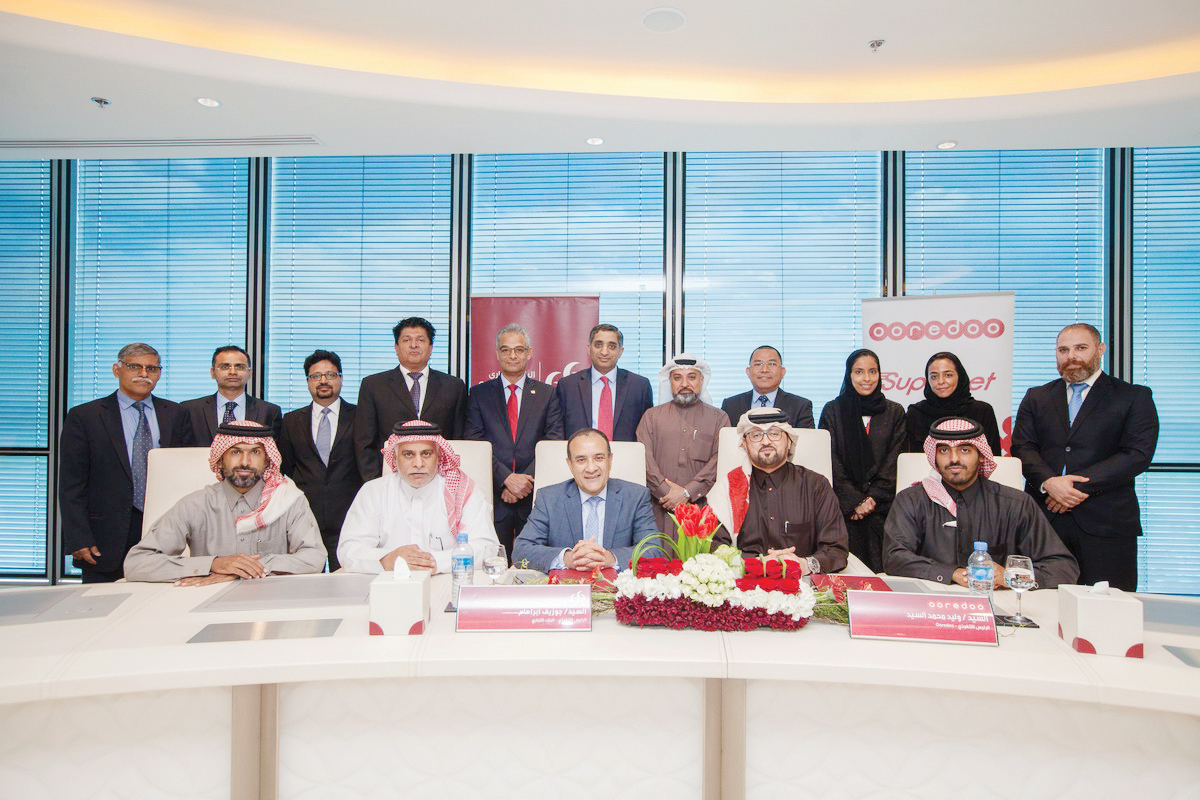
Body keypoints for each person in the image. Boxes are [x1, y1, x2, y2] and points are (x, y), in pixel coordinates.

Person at [1012, 323, 1158, 590]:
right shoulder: (1037, 396)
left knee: (1108, 612)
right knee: (1039, 605)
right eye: (1063, 350)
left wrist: (1072, 488)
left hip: (1106, 522)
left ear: (1100, 349)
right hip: (1045, 519)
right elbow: (1022, 448)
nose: (1072, 356)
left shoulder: (1133, 396)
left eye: (1081, 348)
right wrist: (1050, 483)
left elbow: (1137, 454)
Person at [884, 417, 1079, 588]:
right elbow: (894, 558)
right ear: (934, 456)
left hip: (999, 609)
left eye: (965, 450)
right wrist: (951, 573)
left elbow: (1063, 567)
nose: (954, 459)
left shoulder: (1015, 504)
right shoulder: (911, 500)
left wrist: (1010, 576)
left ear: (980, 455)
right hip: (931, 608)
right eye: (944, 450)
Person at [124, 420, 326, 584]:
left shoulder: (288, 500)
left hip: (272, 604)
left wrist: (248, 568)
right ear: (220, 460)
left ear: (267, 461)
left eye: (255, 452)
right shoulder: (196, 504)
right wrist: (213, 564)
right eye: (235, 452)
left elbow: (315, 558)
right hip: (204, 605)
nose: (245, 462)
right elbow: (136, 564)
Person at [59, 343, 193, 583]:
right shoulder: (85, 416)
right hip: (104, 536)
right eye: (135, 367)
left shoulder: (176, 413)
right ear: (116, 370)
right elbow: (71, 484)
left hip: (162, 526)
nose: (144, 374)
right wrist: (78, 538)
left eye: (152, 368)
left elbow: (184, 473)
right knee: (101, 608)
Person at [338, 420, 497, 574]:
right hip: (389, 584)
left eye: (426, 454)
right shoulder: (373, 492)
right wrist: (387, 559)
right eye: (408, 454)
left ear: (439, 456)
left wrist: (433, 562)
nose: (418, 463)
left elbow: (487, 548)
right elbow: (349, 550)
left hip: (447, 582)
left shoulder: (462, 491)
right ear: (394, 458)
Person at [465, 324, 564, 555]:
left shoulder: (547, 394)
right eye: (506, 349)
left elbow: (553, 441)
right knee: (492, 560)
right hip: (493, 494)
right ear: (497, 353)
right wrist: (506, 479)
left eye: (519, 350)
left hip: (534, 497)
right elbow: (474, 442)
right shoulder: (479, 394)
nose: (512, 355)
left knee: (531, 563)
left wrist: (523, 482)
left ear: (529, 353)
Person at [713, 408, 848, 574]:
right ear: (745, 445)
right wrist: (755, 564)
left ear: (789, 441)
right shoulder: (728, 487)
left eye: (775, 433)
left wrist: (804, 564)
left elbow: (836, 550)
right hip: (744, 584)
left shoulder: (816, 486)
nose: (766, 441)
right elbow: (715, 549)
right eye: (756, 435)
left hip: (803, 586)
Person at [512, 428, 658, 573]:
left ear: (610, 460)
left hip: (617, 591)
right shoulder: (549, 498)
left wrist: (610, 558)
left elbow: (653, 550)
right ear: (570, 464)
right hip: (565, 591)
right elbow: (521, 550)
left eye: (599, 458)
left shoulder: (636, 497)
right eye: (581, 460)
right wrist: (568, 558)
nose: (591, 468)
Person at [819, 348, 905, 573]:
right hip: (843, 510)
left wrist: (871, 499)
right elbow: (829, 458)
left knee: (882, 575)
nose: (867, 378)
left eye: (872, 371)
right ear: (849, 375)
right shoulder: (833, 410)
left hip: (882, 510)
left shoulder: (894, 412)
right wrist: (854, 501)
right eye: (859, 372)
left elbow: (895, 461)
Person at [354, 317, 468, 481]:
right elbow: (364, 442)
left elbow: (459, 439)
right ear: (396, 348)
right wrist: (376, 483)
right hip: (389, 480)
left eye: (420, 340)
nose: (414, 345)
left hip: (439, 481)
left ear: (430, 348)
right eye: (407, 340)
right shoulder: (373, 385)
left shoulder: (454, 386)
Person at [279, 350, 363, 571]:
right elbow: (285, 465)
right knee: (305, 584)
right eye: (316, 376)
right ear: (308, 382)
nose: (323, 381)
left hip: (350, 513)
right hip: (305, 515)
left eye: (330, 375)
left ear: (341, 379)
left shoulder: (361, 416)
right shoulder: (290, 421)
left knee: (347, 582)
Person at [635, 354, 729, 531]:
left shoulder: (719, 418)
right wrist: (667, 493)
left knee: (698, 558)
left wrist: (687, 493)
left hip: (700, 510)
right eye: (677, 378)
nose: (684, 384)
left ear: (701, 380)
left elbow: (720, 461)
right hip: (658, 508)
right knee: (656, 557)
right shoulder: (651, 417)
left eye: (691, 377)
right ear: (669, 382)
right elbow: (643, 458)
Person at [555, 323, 653, 442]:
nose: (604, 352)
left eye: (611, 346)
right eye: (598, 345)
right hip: (582, 458)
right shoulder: (568, 386)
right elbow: (559, 432)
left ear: (620, 351)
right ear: (589, 348)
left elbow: (647, 432)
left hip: (626, 458)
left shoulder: (639, 386)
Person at [181, 345, 283, 445]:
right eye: (225, 367)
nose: (233, 372)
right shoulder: (190, 410)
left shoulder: (269, 411)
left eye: (239, 367)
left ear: (249, 373)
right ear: (212, 372)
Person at [904, 351, 1002, 455]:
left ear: (960, 376)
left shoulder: (982, 411)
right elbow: (909, 461)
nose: (940, 381)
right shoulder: (916, 413)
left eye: (948, 375)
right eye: (934, 376)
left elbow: (993, 458)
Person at [721, 345, 815, 429]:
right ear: (748, 372)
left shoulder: (800, 406)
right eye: (758, 364)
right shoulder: (730, 406)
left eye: (772, 364)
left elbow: (806, 445)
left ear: (783, 372)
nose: (765, 370)